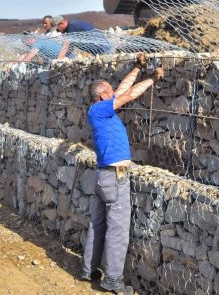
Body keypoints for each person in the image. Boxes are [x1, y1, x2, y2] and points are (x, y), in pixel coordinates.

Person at [80, 54, 164, 294]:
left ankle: (89, 269)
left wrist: (138, 67)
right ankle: (113, 280)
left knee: (97, 224)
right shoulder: (99, 110)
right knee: (117, 229)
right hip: (114, 178)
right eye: (110, 91)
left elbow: (122, 89)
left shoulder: (100, 110)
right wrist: (152, 79)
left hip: (102, 177)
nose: (113, 93)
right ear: (103, 96)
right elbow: (127, 95)